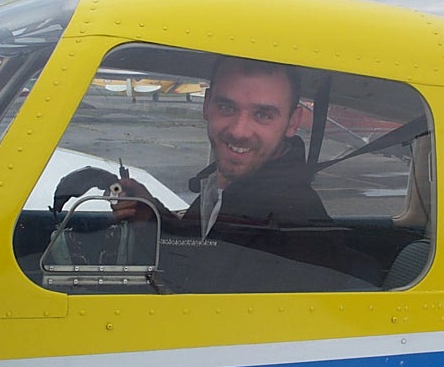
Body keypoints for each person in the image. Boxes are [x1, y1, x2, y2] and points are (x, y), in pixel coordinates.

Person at [112, 56, 349, 276]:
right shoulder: (228, 190)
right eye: (226, 108)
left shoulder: (295, 226)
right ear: (207, 105)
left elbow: (197, 289)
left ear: (293, 121)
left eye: (263, 115)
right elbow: (203, 253)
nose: (239, 131)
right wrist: (154, 216)